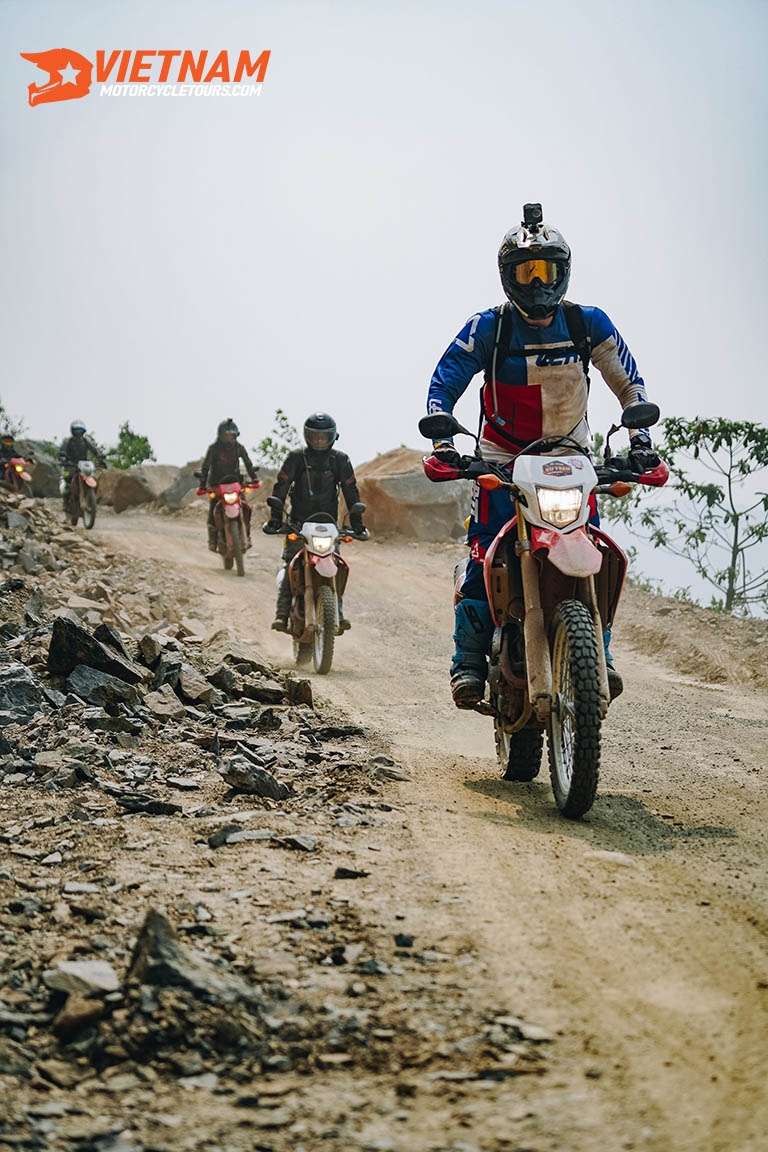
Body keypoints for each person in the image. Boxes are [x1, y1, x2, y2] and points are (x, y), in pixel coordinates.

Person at [424, 203, 660, 708]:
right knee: (483, 554)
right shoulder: (489, 327)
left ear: (564, 273)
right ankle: (466, 660)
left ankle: (599, 652)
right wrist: (444, 440)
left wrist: (640, 441)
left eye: (546, 270)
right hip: (501, 464)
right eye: (525, 271)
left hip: (573, 463)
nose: (536, 282)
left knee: (596, 554)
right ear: (506, 276)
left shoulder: (588, 324)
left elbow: (629, 383)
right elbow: (445, 381)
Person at [263, 412, 368, 631]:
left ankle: (336, 612)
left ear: (332, 437)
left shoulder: (340, 460)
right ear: (307, 436)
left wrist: (357, 524)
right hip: (297, 524)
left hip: (329, 525)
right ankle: (281, 614)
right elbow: (280, 488)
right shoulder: (295, 458)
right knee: (290, 563)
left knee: (336, 565)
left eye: (323, 436)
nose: (319, 441)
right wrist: (275, 519)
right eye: (315, 436)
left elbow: (351, 491)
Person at [199, 419, 259, 551]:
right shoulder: (213, 449)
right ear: (219, 435)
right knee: (214, 509)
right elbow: (205, 467)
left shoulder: (239, 448)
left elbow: (248, 464)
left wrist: (254, 478)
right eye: (225, 435)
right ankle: (213, 539)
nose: (228, 438)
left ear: (236, 436)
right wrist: (203, 484)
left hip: (235, 483)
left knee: (245, 507)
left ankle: (247, 535)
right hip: (216, 484)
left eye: (231, 435)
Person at [58, 420, 106, 514]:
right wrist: (63, 458)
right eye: (76, 431)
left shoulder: (85, 441)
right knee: (67, 481)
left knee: (94, 478)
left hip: (83, 466)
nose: (78, 434)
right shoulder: (68, 441)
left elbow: (94, 451)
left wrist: (100, 457)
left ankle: (91, 498)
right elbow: (62, 452)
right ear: (73, 431)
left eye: (80, 431)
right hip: (70, 465)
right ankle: (65, 502)